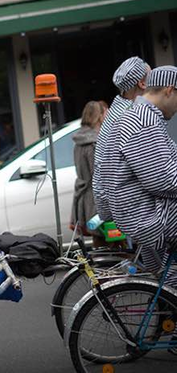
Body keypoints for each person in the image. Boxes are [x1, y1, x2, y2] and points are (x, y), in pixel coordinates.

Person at [101, 66, 177, 286]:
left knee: (167, 279)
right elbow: (161, 180)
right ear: (170, 91)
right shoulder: (142, 121)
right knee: (168, 278)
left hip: (144, 211)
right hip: (151, 216)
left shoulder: (141, 116)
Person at [93, 56, 150, 223]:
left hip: (118, 206)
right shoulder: (132, 117)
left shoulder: (116, 112)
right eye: (153, 75)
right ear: (142, 83)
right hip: (135, 208)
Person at [70, 101, 109, 247]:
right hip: (97, 198)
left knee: (98, 240)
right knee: (113, 242)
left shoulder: (78, 141)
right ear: (99, 116)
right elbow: (100, 174)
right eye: (105, 112)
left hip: (85, 197)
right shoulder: (94, 142)